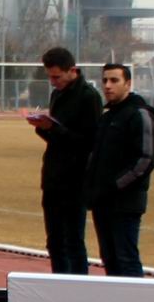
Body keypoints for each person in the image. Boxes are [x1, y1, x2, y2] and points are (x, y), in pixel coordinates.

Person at [27, 46, 102, 274]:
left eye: (57, 76)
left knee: (73, 241)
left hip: (75, 179)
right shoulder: (57, 94)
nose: (52, 81)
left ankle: (79, 288)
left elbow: (89, 142)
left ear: (73, 71)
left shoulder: (89, 98)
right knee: (54, 241)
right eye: (50, 76)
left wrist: (54, 130)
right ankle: (58, 283)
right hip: (53, 177)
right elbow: (56, 138)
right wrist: (42, 128)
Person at [85, 62, 154, 278]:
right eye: (105, 80)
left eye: (114, 80)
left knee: (126, 259)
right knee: (110, 259)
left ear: (128, 83)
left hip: (125, 203)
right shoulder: (107, 118)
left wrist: (116, 185)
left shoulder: (140, 115)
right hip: (102, 201)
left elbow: (145, 160)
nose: (108, 85)